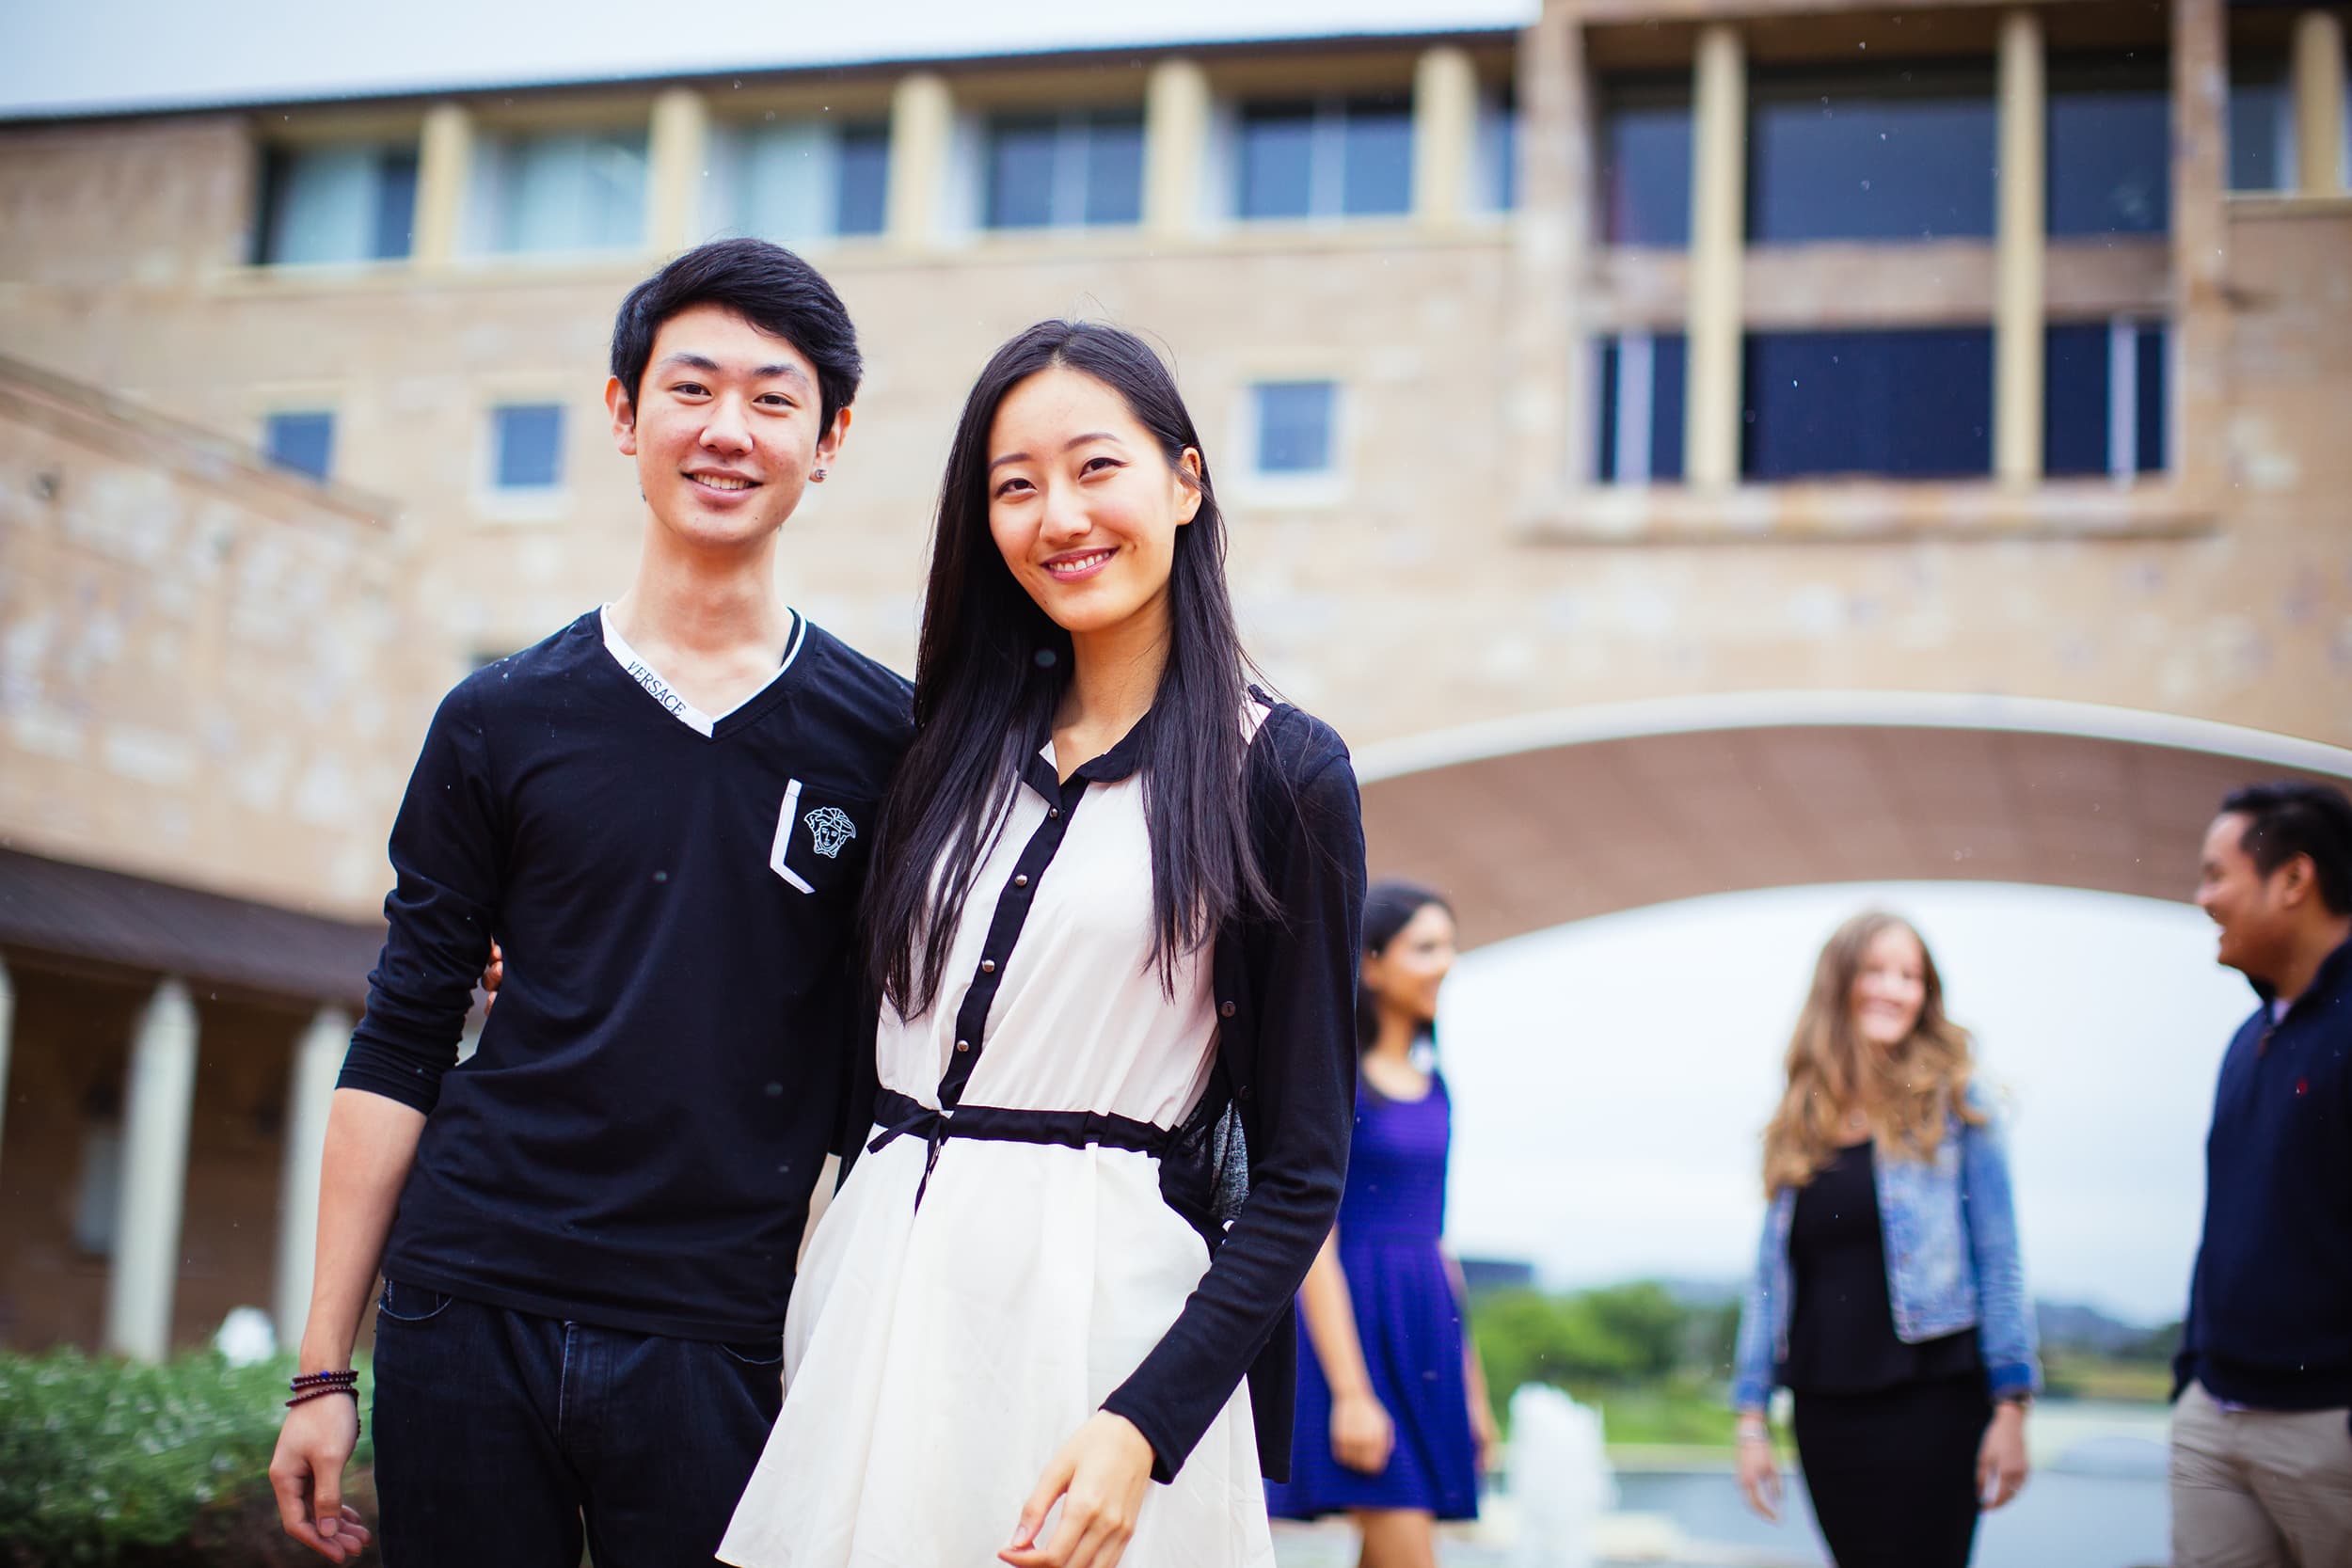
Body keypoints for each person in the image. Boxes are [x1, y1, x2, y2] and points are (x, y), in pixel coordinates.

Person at [266, 238, 914, 1568]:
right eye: (691, 389)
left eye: (772, 397)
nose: (727, 430)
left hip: (722, 1327)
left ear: (830, 437)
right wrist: (322, 1369)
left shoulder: (890, 740)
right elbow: (401, 1036)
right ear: (624, 416)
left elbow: (887, 1069)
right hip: (467, 1299)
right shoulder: (501, 718)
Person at [715, 321, 1366, 1568]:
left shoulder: (1280, 772)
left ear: (1186, 481)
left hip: (1101, 1335)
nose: (1058, 514)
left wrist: (1144, 1423)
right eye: (1016, 485)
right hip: (876, 1303)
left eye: (1095, 467)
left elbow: (1300, 1173)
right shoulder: (940, 749)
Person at [1729, 911, 2039, 1568]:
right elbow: (1768, 1280)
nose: (1893, 989)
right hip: (1825, 1404)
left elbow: (2000, 1255)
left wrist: (2012, 1404)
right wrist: (1750, 1418)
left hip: (1934, 1397)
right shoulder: (1798, 1120)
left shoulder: (1958, 1105)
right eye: (1876, 970)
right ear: (1839, 982)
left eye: (1910, 976)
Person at [1265, 880, 1499, 1568]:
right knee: (1409, 1549)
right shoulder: (1340, 1083)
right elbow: (1316, 1242)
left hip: (1426, 1326)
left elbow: (1441, 1244)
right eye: (1426, 946)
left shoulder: (1438, 1088)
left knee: (1395, 1548)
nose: (1446, 962)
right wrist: (1351, 1391)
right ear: (1370, 962)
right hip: (1354, 1330)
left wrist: (1474, 1390)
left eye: (1449, 945)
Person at [2171, 781, 2352, 1567]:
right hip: (2213, 1417)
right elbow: (2226, 1225)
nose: (2202, 896)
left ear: (2293, 880)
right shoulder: (2247, 1039)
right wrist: (2188, 1379)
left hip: (2326, 1428)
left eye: (2216, 873)